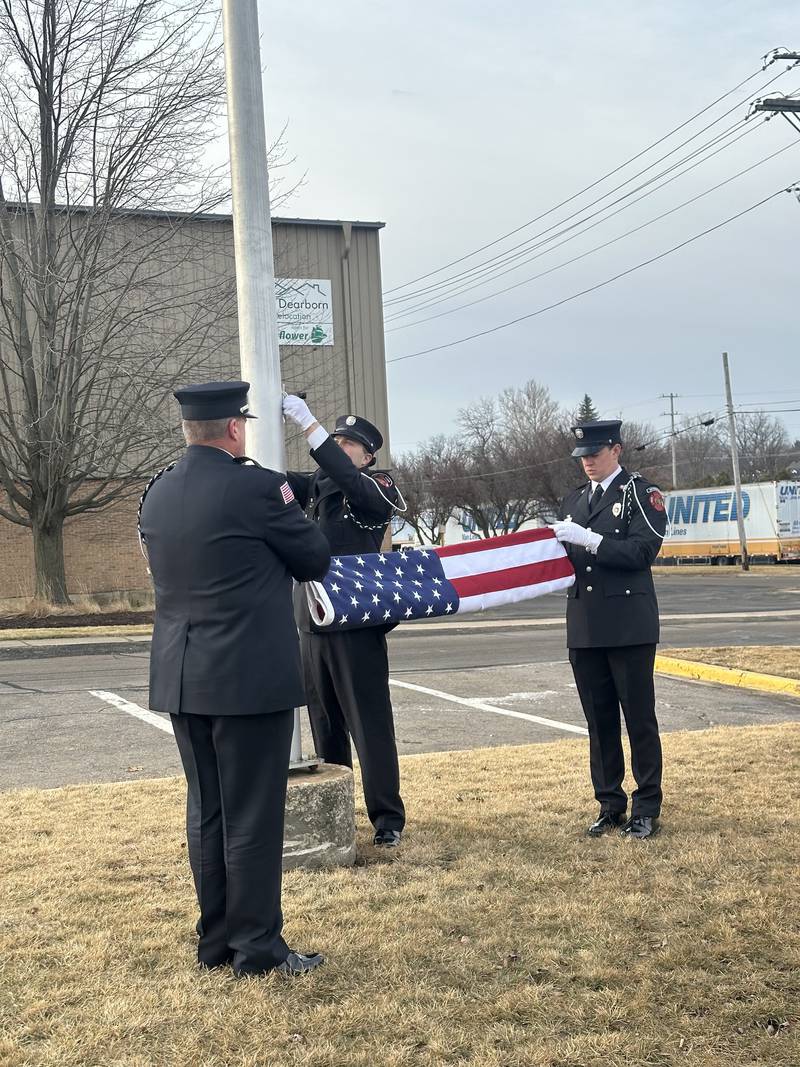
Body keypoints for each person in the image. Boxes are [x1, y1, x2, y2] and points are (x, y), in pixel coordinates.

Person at [138, 381, 331, 977]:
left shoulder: (158, 492)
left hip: (181, 671)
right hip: (246, 677)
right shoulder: (255, 487)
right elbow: (315, 559)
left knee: (208, 811)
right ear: (233, 429)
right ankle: (257, 949)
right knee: (252, 814)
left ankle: (216, 941)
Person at [282, 393, 406, 848]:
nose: (338, 444)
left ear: (367, 455)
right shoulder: (313, 488)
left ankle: (387, 819)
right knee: (325, 726)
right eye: (336, 438)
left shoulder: (377, 488)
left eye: (348, 442)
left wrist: (308, 426)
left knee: (369, 725)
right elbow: (273, 486)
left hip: (356, 624)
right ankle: (336, 814)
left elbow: (352, 483)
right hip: (312, 622)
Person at [551, 419, 668, 840]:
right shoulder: (575, 499)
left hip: (628, 623)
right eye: (582, 457)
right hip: (585, 623)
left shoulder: (639, 493)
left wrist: (591, 539)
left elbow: (643, 550)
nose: (587, 463)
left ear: (616, 451)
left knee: (638, 718)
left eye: (595, 454)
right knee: (599, 722)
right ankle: (610, 804)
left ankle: (646, 807)